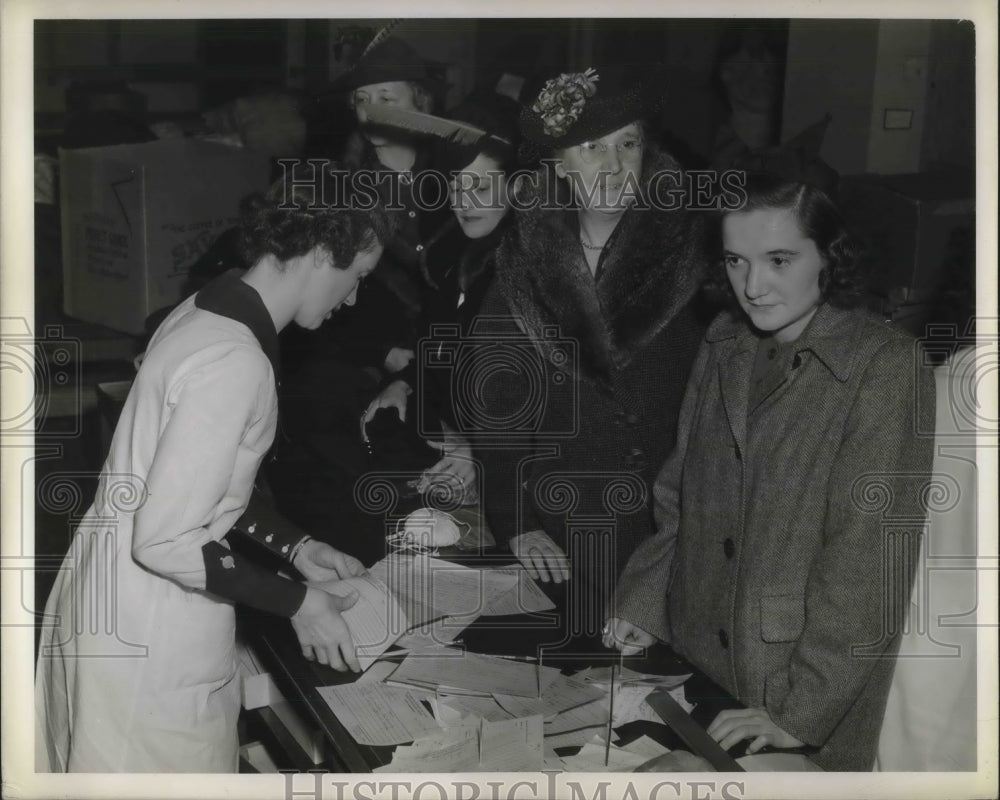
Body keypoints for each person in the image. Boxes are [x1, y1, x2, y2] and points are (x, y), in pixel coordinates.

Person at [35, 164, 391, 773]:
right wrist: (297, 601)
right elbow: (168, 538)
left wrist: (297, 546)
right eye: (356, 277)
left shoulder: (209, 307)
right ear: (318, 252)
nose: (353, 299)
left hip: (114, 591)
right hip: (150, 624)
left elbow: (200, 485)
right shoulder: (235, 361)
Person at [604, 171, 936, 771]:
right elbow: (679, 494)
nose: (753, 285)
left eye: (779, 259)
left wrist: (797, 712)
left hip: (793, 687)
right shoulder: (724, 338)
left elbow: (868, 569)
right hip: (697, 656)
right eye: (735, 261)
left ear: (828, 257)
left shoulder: (885, 368)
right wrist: (644, 599)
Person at [472, 66, 712, 628]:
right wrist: (517, 520)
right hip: (563, 531)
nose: (613, 164)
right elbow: (498, 406)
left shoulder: (696, 262)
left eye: (628, 143)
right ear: (556, 164)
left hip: (671, 531)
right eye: (592, 147)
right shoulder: (522, 266)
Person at [359, 90, 521, 502]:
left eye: (481, 188)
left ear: (518, 187)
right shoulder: (449, 254)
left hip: (515, 470)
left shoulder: (531, 269)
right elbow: (435, 354)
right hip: (450, 445)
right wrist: (403, 384)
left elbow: (549, 401)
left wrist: (481, 452)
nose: (463, 203)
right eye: (455, 186)